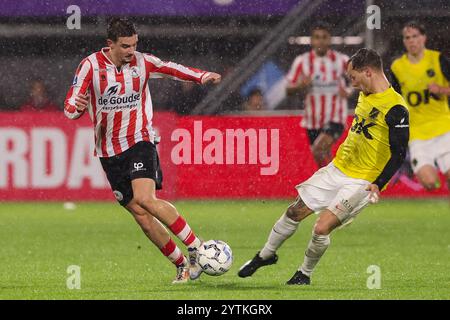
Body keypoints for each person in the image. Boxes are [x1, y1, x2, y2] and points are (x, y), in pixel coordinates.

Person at [63, 18, 221, 284]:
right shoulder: (90, 66)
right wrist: (76, 106)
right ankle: (182, 265)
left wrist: (202, 76)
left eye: (134, 45)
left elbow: (172, 69)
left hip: (140, 139)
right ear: (109, 44)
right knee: (141, 216)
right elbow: (70, 107)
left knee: (145, 198)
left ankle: (196, 247)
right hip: (109, 151)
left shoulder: (141, 62)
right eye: (125, 46)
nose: (130, 51)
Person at [238, 48, 409, 285]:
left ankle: (303, 275)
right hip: (338, 168)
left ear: (368, 72)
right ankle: (265, 255)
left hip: (363, 181)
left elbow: (400, 153)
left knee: (321, 227)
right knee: (294, 211)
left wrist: (378, 184)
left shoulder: (396, 108)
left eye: (354, 77)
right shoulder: (366, 94)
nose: (353, 83)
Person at [390, 21, 450, 193]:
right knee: (430, 183)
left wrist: (443, 90)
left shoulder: (438, 59)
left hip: (444, 128)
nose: (412, 41)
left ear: (424, 38)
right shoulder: (397, 67)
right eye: (407, 37)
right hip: (418, 134)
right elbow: (394, 98)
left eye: (415, 36)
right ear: (404, 41)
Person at [286, 22, 352, 168]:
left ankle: (331, 185)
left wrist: (348, 91)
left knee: (318, 149)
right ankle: (335, 185)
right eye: (317, 37)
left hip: (335, 117)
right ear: (311, 40)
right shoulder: (302, 62)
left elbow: (359, 80)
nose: (320, 41)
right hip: (313, 120)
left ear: (329, 39)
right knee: (322, 155)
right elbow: (288, 89)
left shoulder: (341, 60)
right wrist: (300, 85)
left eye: (324, 37)